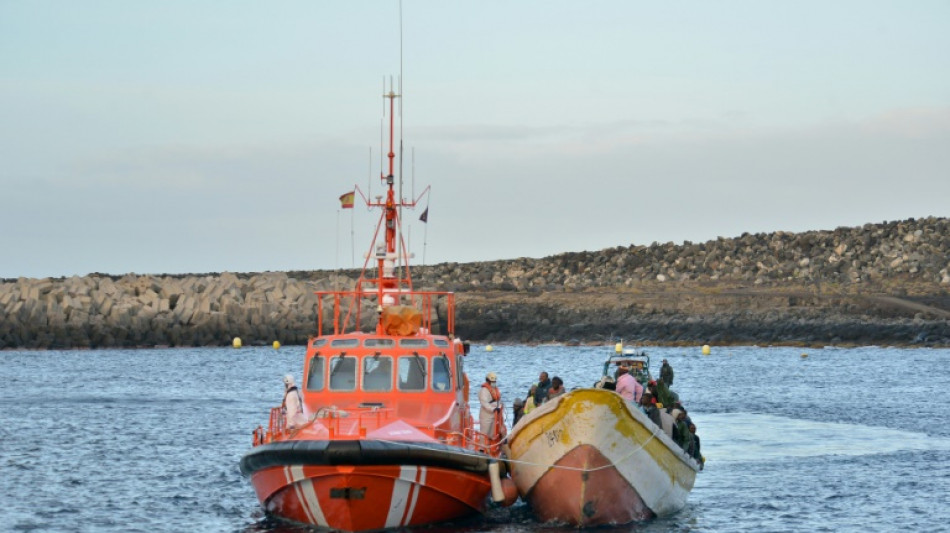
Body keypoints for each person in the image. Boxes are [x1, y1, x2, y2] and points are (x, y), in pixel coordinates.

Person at [478, 372, 505, 442]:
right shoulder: (484, 391)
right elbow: (484, 403)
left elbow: (497, 400)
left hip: (494, 414)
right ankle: (482, 446)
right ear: (488, 381)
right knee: (484, 433)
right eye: (492, 381)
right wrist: (493, 409)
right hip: (486, 415)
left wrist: (500, 407)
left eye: (494, 381)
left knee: (492, 433)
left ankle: (491, 445)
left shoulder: (494, 389)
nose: (493, 383)